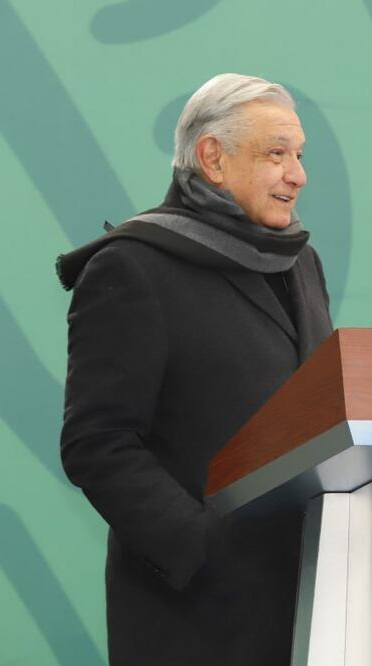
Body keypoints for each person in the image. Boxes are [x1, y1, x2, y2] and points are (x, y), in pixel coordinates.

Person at [57, 73, 333, 665]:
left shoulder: (301, 262)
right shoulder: (132, 268)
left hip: (316, 601)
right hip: (195, 618)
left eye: (300, 156)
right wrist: (204, 550)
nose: (298, 175)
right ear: (212, 158)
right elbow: (97, 443)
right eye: (276, 154)